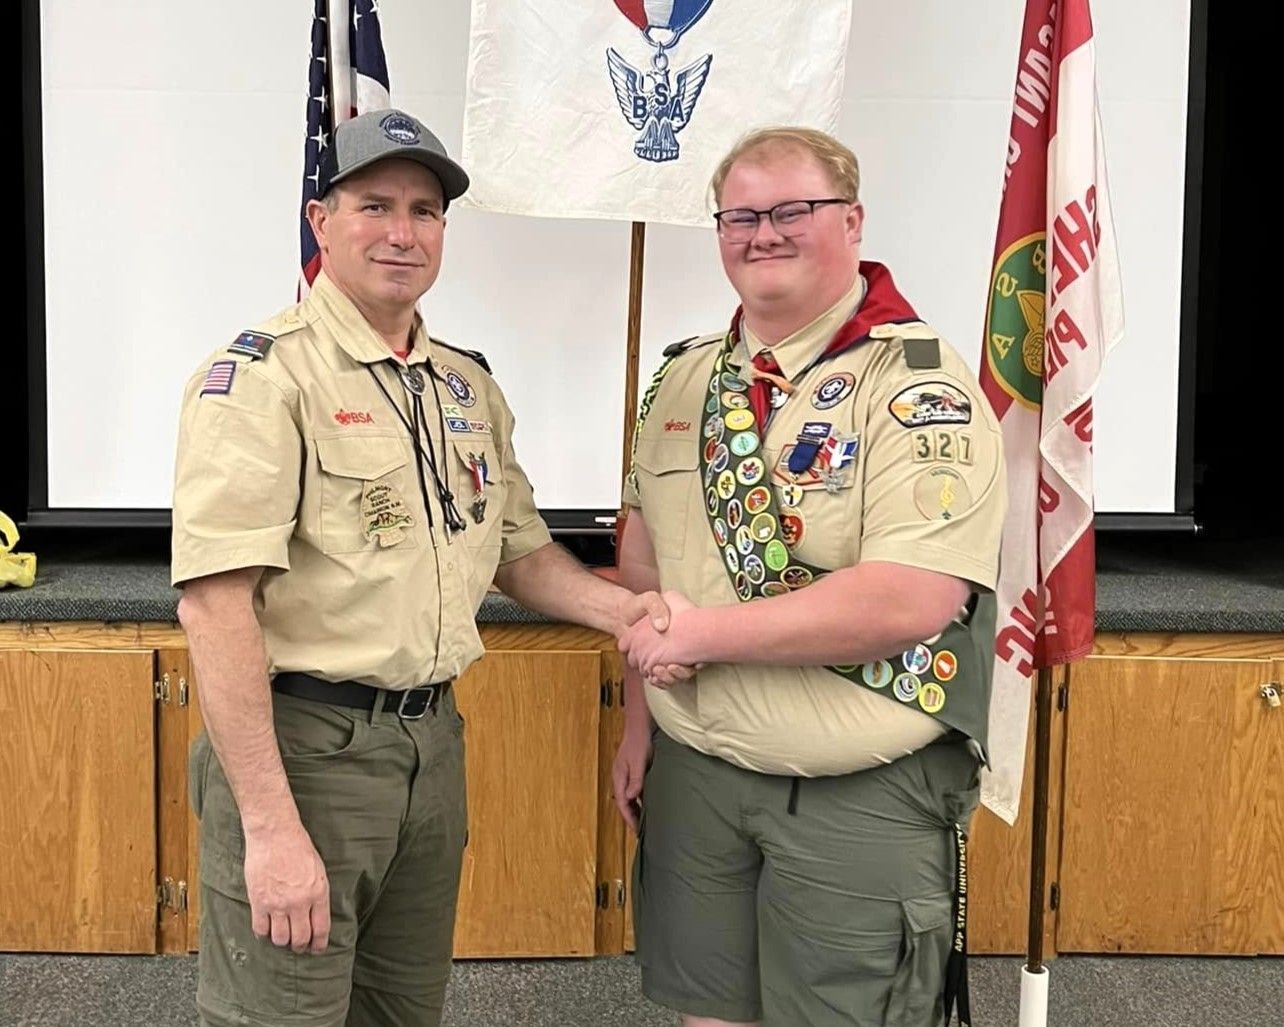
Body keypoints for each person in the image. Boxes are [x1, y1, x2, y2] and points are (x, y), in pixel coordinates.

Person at [172, 107, 684, 1027]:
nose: (402, 233)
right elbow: (215, 609)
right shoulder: (264, 379)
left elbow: (519, 552)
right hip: (307, 753)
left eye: (424, 211)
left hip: (431, 750)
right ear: (321, 221)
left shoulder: (463, 385)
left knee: (403, 1011)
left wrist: (630, 613)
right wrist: (270, 824)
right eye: (374, 206)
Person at [612, 126, 1007, 1027]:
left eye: (793, 210)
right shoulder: (681, 380)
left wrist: (700, 636)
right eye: (740, 217)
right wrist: (639, 721)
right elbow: (646, 563)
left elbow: (910, 598)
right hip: (697, 774)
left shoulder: (917, 387)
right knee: (709, 1015)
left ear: (853, 220)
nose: (764, 234)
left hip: (851, 786)